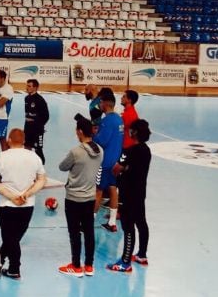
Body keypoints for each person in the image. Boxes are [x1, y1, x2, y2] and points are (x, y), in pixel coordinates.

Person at [0, 129, 46, 280]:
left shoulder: (1, 157)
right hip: (27, 205)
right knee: (14, 238)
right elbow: (42, 179)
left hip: (5, 204)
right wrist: (28, 193)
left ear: (8, 140)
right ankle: (13, 267)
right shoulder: (34, 157)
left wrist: (11, 196)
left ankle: (6, 261)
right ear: (24, 140)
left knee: (10, 238)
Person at [57, 118, 103, 277]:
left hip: (73, 198)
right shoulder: (100, 151)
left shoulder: (76, 152)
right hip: (90, 197)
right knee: (89, 231)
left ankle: (76, 266)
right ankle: (89, 265)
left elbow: (62, 166)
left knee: (74, 232)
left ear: (81, 132)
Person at [108, 119, 152, 273]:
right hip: (140, 193)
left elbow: (116, 169)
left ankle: (125, 262)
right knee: (141, 222)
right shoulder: (146, 150)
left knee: (128, 226)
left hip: (128, 194)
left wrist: (122, 169)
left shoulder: (130, 151)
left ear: (134, 132)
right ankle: (142, 255)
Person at [92, 91, 124, 232]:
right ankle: (112, 222)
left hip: (104, 163)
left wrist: (93, 134)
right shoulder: (119, 120)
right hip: (115, 162)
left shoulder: (106, 121)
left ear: (105, 103)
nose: (99, 105)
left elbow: (101, 141)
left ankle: (89, 220)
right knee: (113, 189)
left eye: (100, 102)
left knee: (98, 191)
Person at [23, 79, 50, 163]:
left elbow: (46, 116)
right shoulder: (27, 98)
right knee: (27, 147)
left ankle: (41, 167)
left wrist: (39, 126)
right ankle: (28, 166)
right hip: (27, 127)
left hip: (37, 129)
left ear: (35, 88)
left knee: (38, 149)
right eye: (27, 85)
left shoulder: (40, 100)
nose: (27, 88)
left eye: (29, 86)